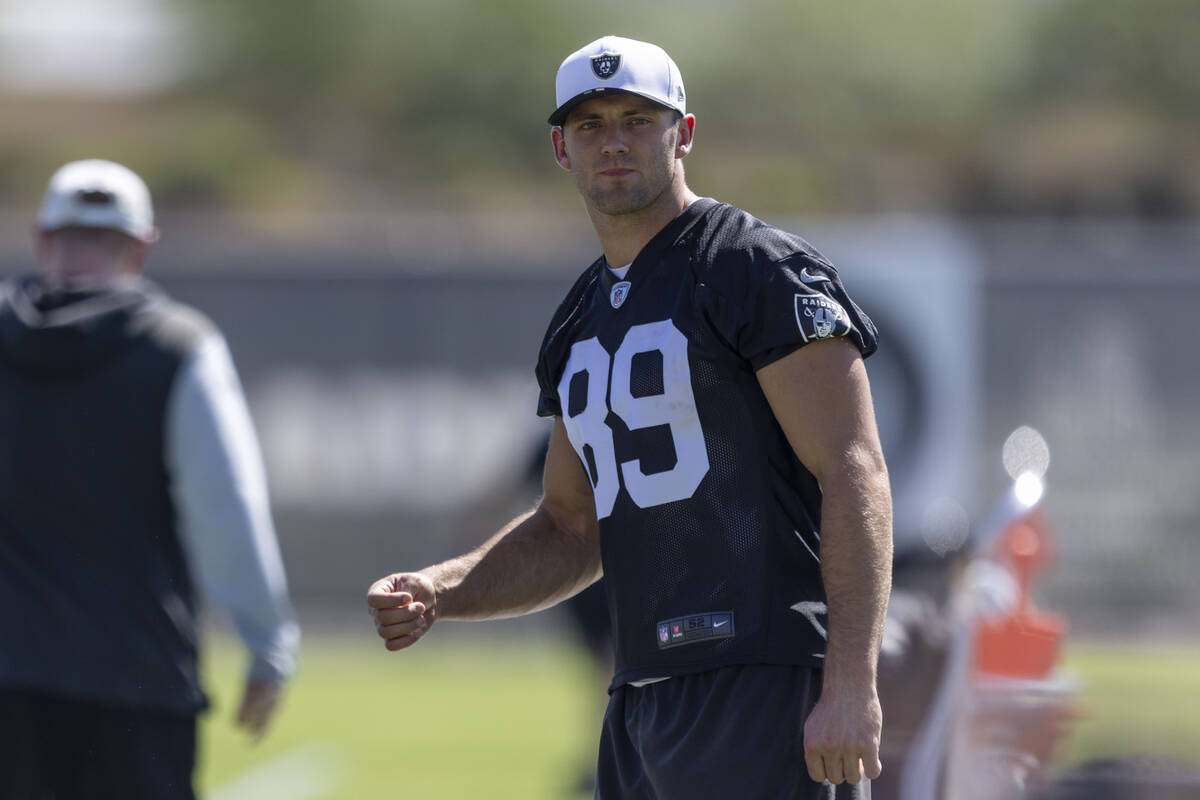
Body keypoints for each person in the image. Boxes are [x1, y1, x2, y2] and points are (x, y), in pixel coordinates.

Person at [368, 36, 892, 799]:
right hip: (641, 693)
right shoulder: (579, 316)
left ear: (682, 133)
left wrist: (851, 683)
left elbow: (854, 469)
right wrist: (441, 590)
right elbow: (570, 529)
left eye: (637, 120)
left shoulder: (751, 267)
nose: (613, 141)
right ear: (560, 148)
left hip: (763, 678)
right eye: (590, 125)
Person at [0, 159, 299, 799]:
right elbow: (225, 506)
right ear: (142, 244)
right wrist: (265, 640)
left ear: (44, 237)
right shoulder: (176, 345)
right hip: (135, 683)